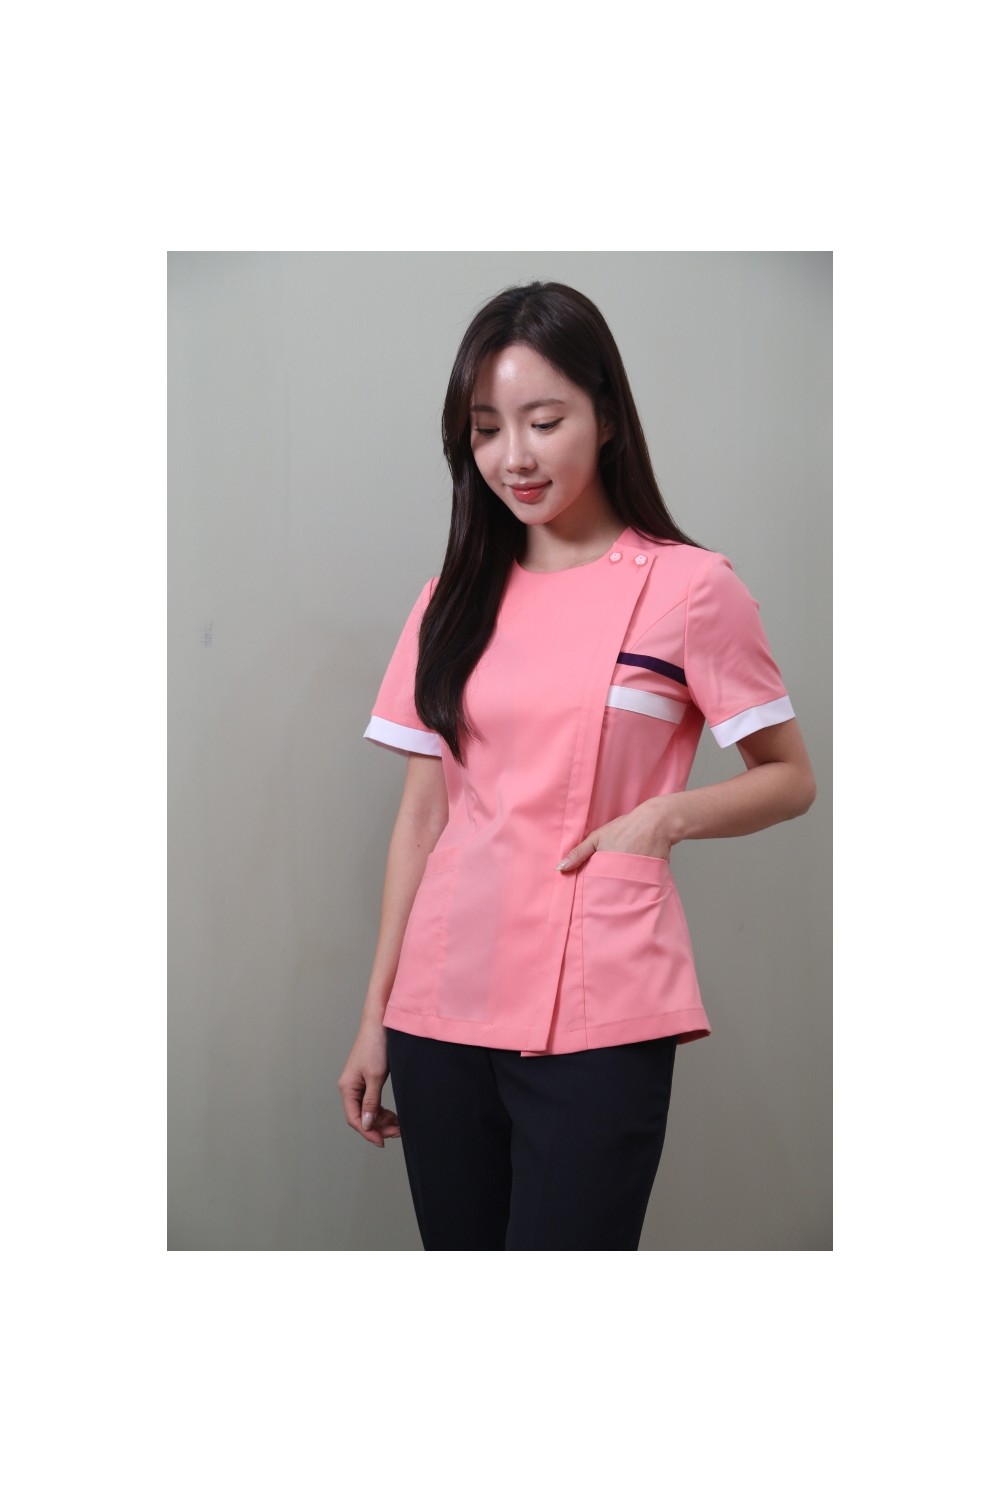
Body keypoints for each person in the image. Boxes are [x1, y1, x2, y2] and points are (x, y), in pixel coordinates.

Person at [338, 280, 816, 1251]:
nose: (513, 456)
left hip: (601, 1005)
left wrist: (663, 818)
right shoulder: (450, 598)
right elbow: (423, 817)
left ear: (605, 416)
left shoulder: (691, 588)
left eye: (543, 421)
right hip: (440, 1004)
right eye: (486, 429)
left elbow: (789, 776)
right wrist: (375, 1014)